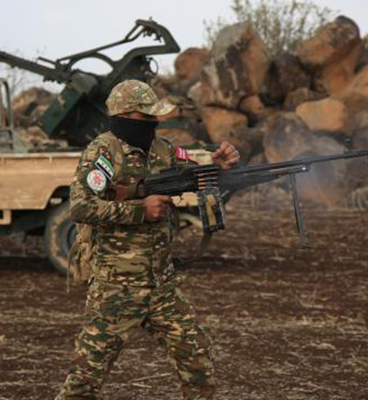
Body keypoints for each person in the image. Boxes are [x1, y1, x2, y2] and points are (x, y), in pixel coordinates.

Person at [56, 79, 240, 400]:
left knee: (197, 357)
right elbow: (81, 206)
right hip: (117, 288)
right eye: (147, 117)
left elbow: (193, 173)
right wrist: (140, 211)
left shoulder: (163, 149)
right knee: (85, 379)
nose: (155, 123)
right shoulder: (102, 152)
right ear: (125, 117)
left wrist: (218, 165)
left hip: (161, 286)